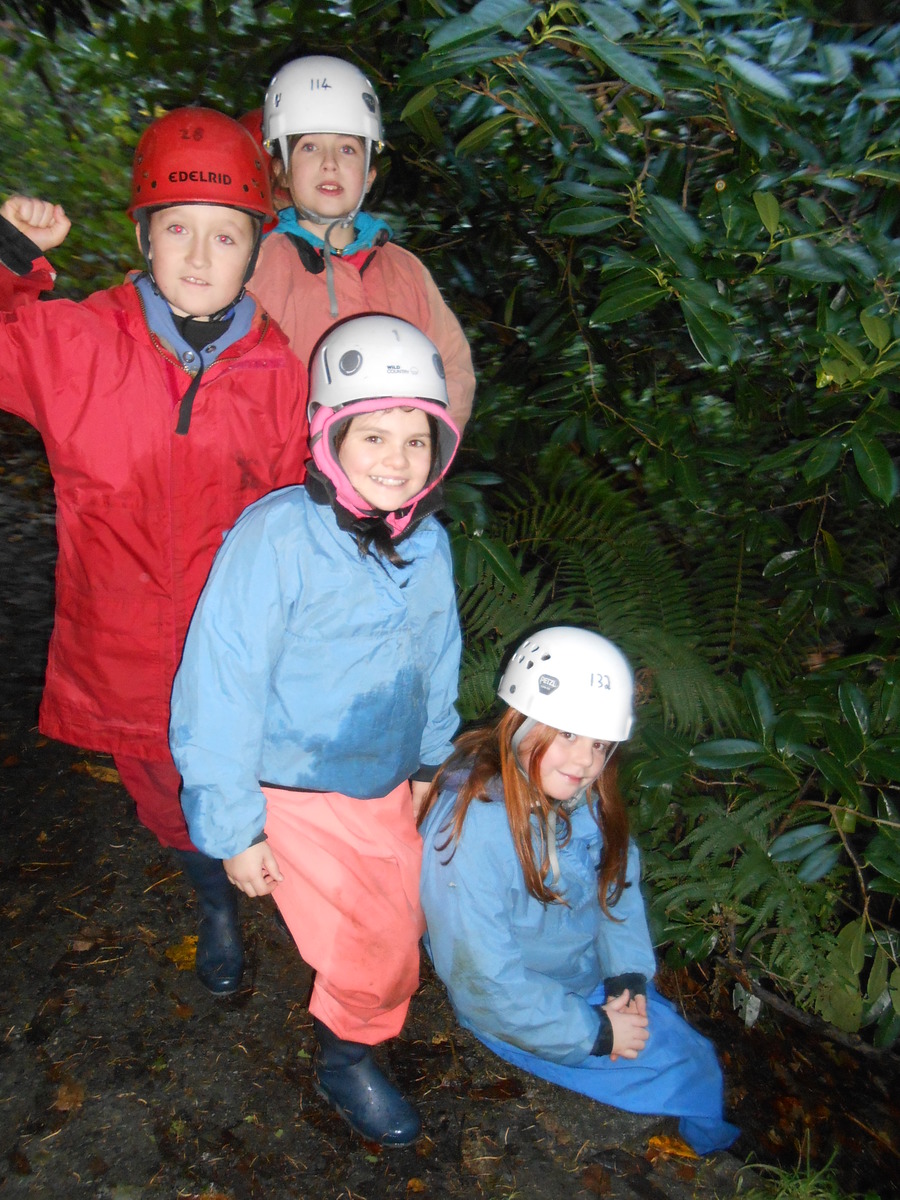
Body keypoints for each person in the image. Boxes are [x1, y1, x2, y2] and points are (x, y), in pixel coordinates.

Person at [0, 108, 311, 998]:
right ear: (143, 235)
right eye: (178, 228)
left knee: (247, 779)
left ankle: (268, 878)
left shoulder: (282, 373)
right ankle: (212, 896)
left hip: (241, 655)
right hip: (123, 650)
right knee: (165, 795)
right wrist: (10, 260)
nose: (201, 255)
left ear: (258, 247)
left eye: (226, 233)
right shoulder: (74, 346)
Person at [169, 314, 462, 1147]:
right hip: (294, 784)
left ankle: (355, 1006)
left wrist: (430, 759)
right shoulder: (276, 540)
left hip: (382, 776)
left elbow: (440, 654)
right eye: (374, 435)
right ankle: (349, 1059)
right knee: (375, 942)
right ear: (329, 435)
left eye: (417, 440)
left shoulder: (426, 545)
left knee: (411, 907)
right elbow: (220, 686)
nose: (397, 459)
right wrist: (233, 826)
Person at [418, 627, 740, 1156]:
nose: (585, 761)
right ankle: (710, 1151)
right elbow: (484, 982)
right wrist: (595, 1033)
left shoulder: (580, 793)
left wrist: (628, 973)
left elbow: (618, 885)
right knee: (692, 1073)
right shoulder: (471, 831)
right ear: (518, 717)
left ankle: (707, 1140)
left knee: (694, 1058)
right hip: (530, 1009)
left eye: (599, 744)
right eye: (567, 733)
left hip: (588, 976)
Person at [249, 54, 476, 431]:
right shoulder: (263, 266)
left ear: (369, 174)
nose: (329, 163)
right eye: (309, 147)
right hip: (295, 481)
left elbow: (452, 368)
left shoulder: (404, 270)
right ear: (282, 171)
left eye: (348, 149)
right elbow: (242, 384)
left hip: (391, 475)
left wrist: (422, 452)